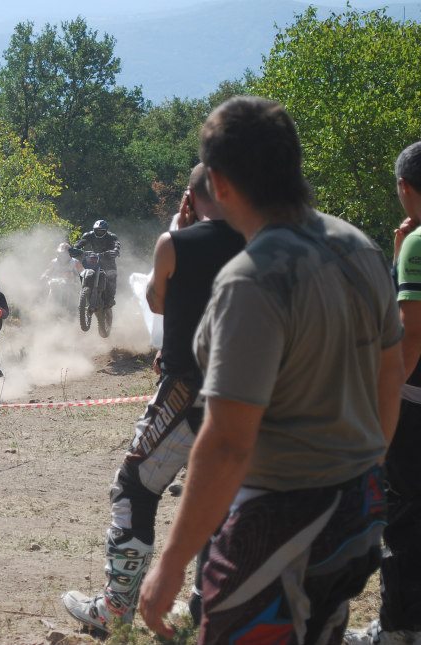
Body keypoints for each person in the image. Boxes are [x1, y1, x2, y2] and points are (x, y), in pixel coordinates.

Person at [137, 96, 403, 643]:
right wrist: (367, 468)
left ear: (219, 182)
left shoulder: (252, 280)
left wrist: (171, 563)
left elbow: (228, 442)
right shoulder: (359, 247)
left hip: (279, 523)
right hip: (356, 510)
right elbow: (390, 374)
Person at [61, 163, 245, 634]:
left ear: (191, 197)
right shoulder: (261, 241)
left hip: (188, 387)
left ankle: (116, 609)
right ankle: (207, 607)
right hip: (248, 391)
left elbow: (157, 302)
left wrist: (179, 233)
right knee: (223, 496)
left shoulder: (176, 243)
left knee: (134, 487)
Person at [347, 142, 421, 645]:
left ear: (404, 187)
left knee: (402, 522)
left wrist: (380, 409)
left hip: (415, 407)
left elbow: (410, 335)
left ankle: (397, 630)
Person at [72, 219, 120, 306]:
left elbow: (116, 244)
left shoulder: (111, 237)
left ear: (106, 230)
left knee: (111, 275)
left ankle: (110, 299)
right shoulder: (89, 235)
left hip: (108, 260)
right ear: (94, 230)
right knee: (83, 272)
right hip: (94, 259)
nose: (99, 232)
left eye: (101, 231)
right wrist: (75, 249)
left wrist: (115, 250)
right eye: (97, 230)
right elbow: (81, 242)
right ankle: (83, 292)